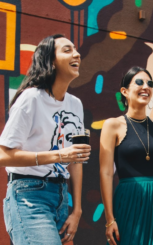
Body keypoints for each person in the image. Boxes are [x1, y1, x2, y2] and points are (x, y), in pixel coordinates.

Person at [0, 34, 91, 245]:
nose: (76, 53)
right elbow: (3, 155)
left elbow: (76, 161)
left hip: (61, 196)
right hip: (28, 195)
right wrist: (59, 155)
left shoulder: (75, 104)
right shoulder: (31, 98)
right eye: (67, 50)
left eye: (75, 49)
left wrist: (76, 210)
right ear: (50, 61)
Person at [99, 66, 153, 245]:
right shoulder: (112, 125)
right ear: (125, 91)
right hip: (129, 199)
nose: (146, 86)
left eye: (149, 83)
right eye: (139, 82)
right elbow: (105, 173)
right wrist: (110, 219)